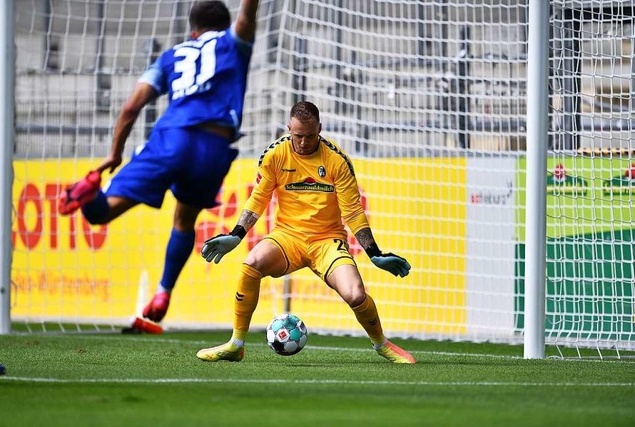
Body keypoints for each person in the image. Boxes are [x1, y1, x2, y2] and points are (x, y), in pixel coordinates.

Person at [57, 1, 260, 331]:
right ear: (224, 26)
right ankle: (164, 292)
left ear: (193, 31)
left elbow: (130, 107)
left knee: (101, 213)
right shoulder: (233, 42)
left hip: (171, 139)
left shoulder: (171, 57)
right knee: (184, 219)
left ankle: (90, 192)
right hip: (213, 146)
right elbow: (247, 14)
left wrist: (113, 154)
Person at [196, 101, 415, 363]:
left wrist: (374, 253)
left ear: (320, 129)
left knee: (355, 294)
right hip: (288, 237)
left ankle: (382, 345)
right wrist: (236, 234)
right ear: (289, 129)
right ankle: (236, 344)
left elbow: (353, 212)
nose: (303, 142)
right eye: (297, 136)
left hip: (327, 241)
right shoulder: (275, 155)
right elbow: (258, 199)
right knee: (251, 263)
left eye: (310, 136)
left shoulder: (336, 160)